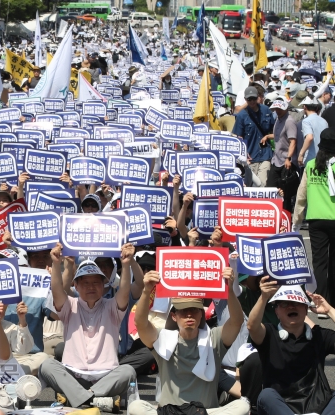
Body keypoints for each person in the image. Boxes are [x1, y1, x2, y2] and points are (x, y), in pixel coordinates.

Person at [131, 264, 249, 415]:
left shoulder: (213, 339)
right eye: (184, 311)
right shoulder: (163, 339)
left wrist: (229, 290)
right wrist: (147, 290)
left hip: (205, 412)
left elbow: (236, 321)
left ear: (201, 314)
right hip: (170, 412)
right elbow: (140, 323)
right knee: (135, 406)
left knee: (242, 406)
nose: (189, 315)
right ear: (174, 316)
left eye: (194, 310)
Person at [38, 243, 136, 411]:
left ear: (104, 285)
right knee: (47, 366)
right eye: (85, 282)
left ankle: (78, 398)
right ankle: (93, 400)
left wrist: (126, 264)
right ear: (75, 286)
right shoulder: (70, 305)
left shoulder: (112, 306)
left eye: (96, 282)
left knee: (127, 371)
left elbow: (125, 291)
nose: (91, 287)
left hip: (106, 376)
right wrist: (56, 263)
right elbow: (57, 290)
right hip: (73, 375)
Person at [248, 282, 335, 415]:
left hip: (318, 405)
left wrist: (329, 310)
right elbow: (252, 327)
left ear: (306, 309)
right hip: (282, 406)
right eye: (284, 304)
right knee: (266, 396)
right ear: (276, 311)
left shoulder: (319, 336)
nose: (291, 307)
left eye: (296, 303)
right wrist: (263, 297)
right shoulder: (270, 334)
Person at [293, 128, 335, 304]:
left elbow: (301, 196)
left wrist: (296, 221)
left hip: (315, 218)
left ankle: (320, 300)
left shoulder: (311, 166)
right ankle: (332, 302)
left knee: (319, 261)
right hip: (333, 218)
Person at [232, 86, 275, 187]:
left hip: (265, 154)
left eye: (254, 99)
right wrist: (243, 154)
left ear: (258, 97)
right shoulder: (241, 115)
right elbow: (239, 137)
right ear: (245, 100)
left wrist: (268, 137)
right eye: (249, 99)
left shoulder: (266, 111)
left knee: (262, 184)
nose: (252, 102)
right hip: (250, 157)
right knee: (251, 185)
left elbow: (276, 131)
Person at [265, 98, 300, 212]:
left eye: (280, 109)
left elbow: (293, 141)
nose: (277, 111)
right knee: (271, 189)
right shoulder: (278, 119)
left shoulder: (289, 121)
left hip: (286, 161)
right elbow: (278, 135)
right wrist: (267, 136)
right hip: (277, 160)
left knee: (285, 193)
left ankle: (286, 218)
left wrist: (288, 158)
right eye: (276, 109)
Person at [298, 96, 328, 167]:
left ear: (304, 107)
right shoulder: (324, 121)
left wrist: (301, 154)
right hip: (322, 159)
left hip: (310, 160)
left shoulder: (306, 121)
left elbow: (309, 137)